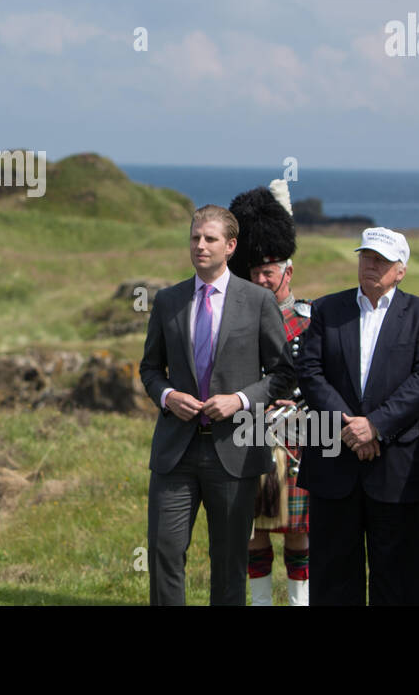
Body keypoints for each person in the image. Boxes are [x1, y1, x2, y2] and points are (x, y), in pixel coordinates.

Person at [140, 204, 295, 605]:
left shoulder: (259, 301)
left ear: (230, 245)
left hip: (237, 449)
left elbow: (283, 373)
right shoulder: (167, 300)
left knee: (228, 561)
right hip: (176, 450)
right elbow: (150, 368)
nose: (200, 246)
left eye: (209, 239)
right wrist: (168, 396)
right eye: (194, 238)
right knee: (163, 551)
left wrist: (241, 400)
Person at [296, 227, 419, 605]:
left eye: (381, 260)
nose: (371, 265)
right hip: (334, 465)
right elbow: (310, 372)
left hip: (397, 467)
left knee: (397, 579)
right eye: (365, 257)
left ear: (401, 270)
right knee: (332, 578)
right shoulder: (328, 309)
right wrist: (350, 427)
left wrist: (375, 426)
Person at [227, 182, 311, 606]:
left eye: (270, 270)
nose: (262, 278)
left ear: (287, 271)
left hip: (302, 440)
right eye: (254, 271)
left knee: (300, 531)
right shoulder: (238, 321)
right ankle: (259, 603)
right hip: (249, 436)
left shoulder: (312, 321)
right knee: (252, 529)